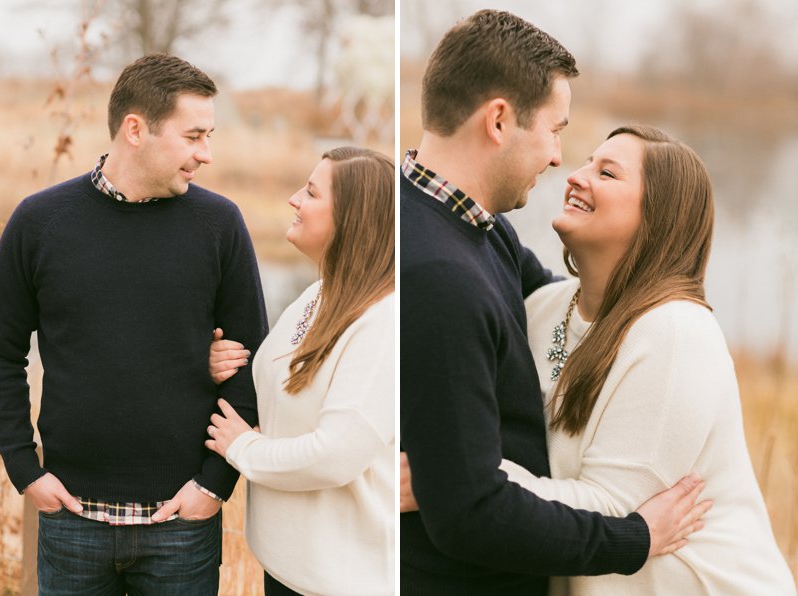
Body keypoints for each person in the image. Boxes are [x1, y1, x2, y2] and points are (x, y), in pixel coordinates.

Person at [402, 125, 797, 594]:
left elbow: (611, 510)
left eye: (607, 173)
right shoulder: (545, 307)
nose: (576, 176)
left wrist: (450, 474)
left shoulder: (675, 332)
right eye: (587, 162)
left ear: (658, 217)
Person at [399, 9, 710, 595]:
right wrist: (635, 538)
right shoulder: (441, 274)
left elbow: (575, 305)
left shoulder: (479, 231)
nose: (557, 158)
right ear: (498, 120)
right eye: (556, 129)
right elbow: (469, 514)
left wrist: (666, 291)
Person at [0, 54, 267, 595]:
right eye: (193, 136)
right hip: (71, 520)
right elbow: (3, 353)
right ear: (136, 129)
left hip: (181, 528)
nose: (206, 155)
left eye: (209, 136)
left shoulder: (220, 225)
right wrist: (25, 469)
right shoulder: (39, 222)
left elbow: (250, 362)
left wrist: (213, 487)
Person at [205, 147, 395, 596]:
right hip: (289, 570)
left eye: (310, 192)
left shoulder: (383, 321)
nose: (293, 199)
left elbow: (334, 456)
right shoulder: (321, 293)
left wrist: (243, 449)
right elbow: (285, 383)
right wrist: (220, 365)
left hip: (343, 581)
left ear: (352, 219)